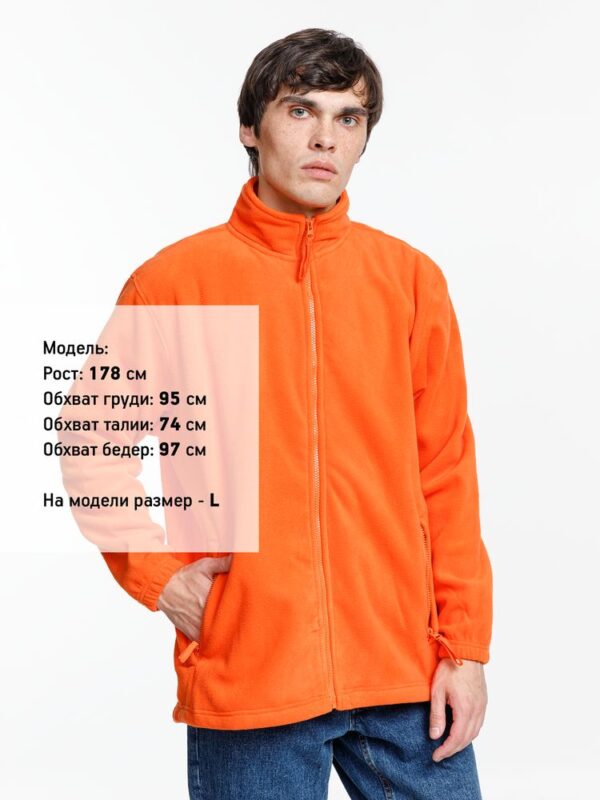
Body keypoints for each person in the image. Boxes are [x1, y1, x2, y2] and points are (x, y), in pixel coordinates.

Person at [63, 27, 493, 799]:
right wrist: (161, 579)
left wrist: (464, 649)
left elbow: (447, 474)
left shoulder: (409, 280)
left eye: (348, 118)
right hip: (252, 672)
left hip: (404, 672)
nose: (326, 138)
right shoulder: (176, 284)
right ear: (250, 128)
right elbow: (91, 443)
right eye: (301, 111)